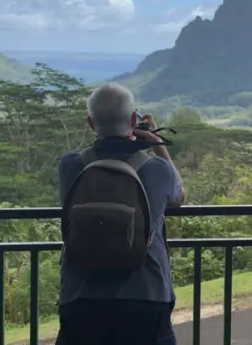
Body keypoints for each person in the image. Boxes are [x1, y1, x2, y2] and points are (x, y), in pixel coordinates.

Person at [55, 83, 186, 345]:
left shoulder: (71, 165)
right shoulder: (157, 169)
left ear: (91, 123)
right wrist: (156, 142)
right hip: (147, 292)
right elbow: (179, 197)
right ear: (134, 120)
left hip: (81, 294)